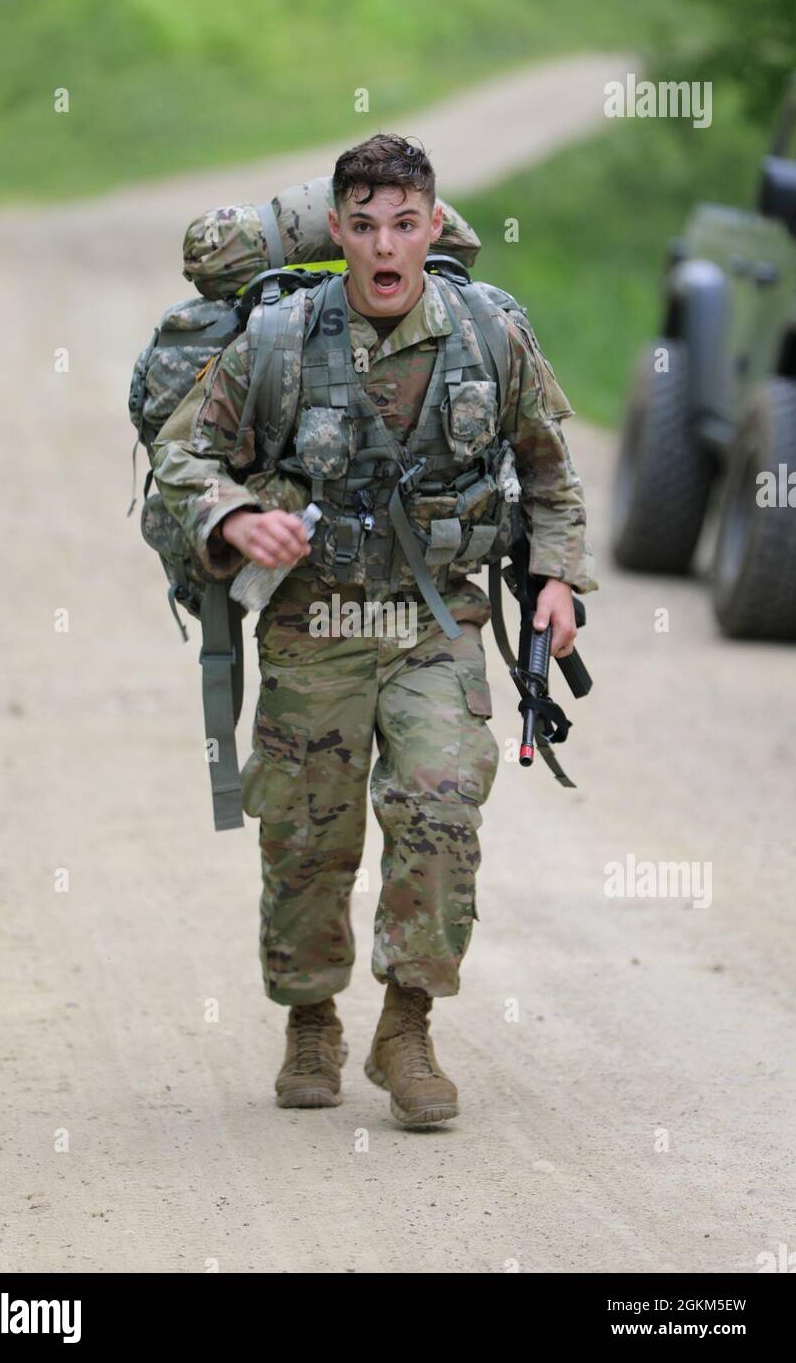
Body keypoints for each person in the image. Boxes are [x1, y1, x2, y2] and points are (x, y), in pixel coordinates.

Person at [152, 133, 597, 1128]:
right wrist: (229, 515)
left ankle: (405, 1025)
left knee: (440, 804)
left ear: (432, 226)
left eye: (405, 224)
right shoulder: (275, 340)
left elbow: (550, 477)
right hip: (316, 619)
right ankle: (310, 1016)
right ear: (338, 233)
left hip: (438, 616)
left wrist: (557, 583)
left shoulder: (490, 333)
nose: (385, 246)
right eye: (364, 226)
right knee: (309, 832)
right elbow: (189, 456)